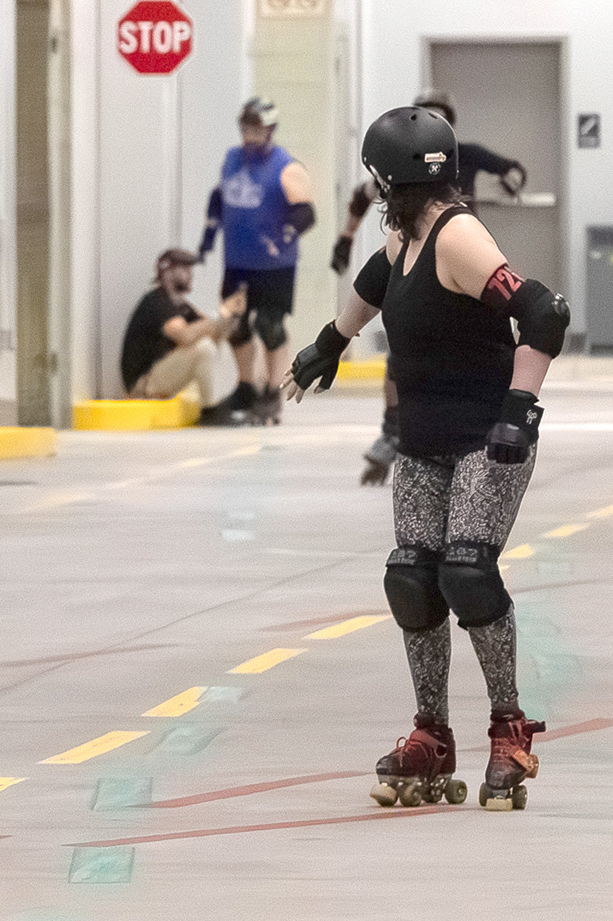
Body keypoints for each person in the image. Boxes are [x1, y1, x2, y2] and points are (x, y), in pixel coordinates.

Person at [283, 106, 567, 812]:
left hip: (484, 438)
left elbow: (544, 313)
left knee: (466, 570)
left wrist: (519, 410)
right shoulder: (404, 235)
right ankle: (431, 735)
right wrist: (330, 341)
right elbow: (375, 285)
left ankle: (509, 728)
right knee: (413, 577)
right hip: (424, 440)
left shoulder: (457, 235)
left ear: (385, 177)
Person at [329, 90, 528, 487]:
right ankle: (393, 427)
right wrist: (346, 238)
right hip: (417, 248)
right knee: (403, 346)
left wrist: (513, 185)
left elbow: (513, 168)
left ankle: (477, 421)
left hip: (462, 252)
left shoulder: (465, 154)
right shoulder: (401, 166)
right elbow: (364, 195)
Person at [198, 97, 316, 426]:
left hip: (275, 266)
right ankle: (246, 386)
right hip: (237, 261)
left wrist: (285, 236)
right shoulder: (233, 159)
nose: (249, 135)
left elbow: (306, 212)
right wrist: (207, 237)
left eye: (256, 129)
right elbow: (219, 197)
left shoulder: (286, 166)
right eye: (245, 128)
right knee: (233, 322)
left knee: (269, 324)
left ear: (270, 130)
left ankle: (272, 393)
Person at [119, 248, 243, 406]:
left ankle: (230, 403)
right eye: (184, 268)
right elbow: (184, 335)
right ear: (167, 271)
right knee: (203, 349)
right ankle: (211, 410)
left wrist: (232, 314)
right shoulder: (157, 300)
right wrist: (217, 317)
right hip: (142, 385)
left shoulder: (182, 306)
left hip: (160, 377)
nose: (190, 273)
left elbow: (214, 333)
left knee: (217, 345)